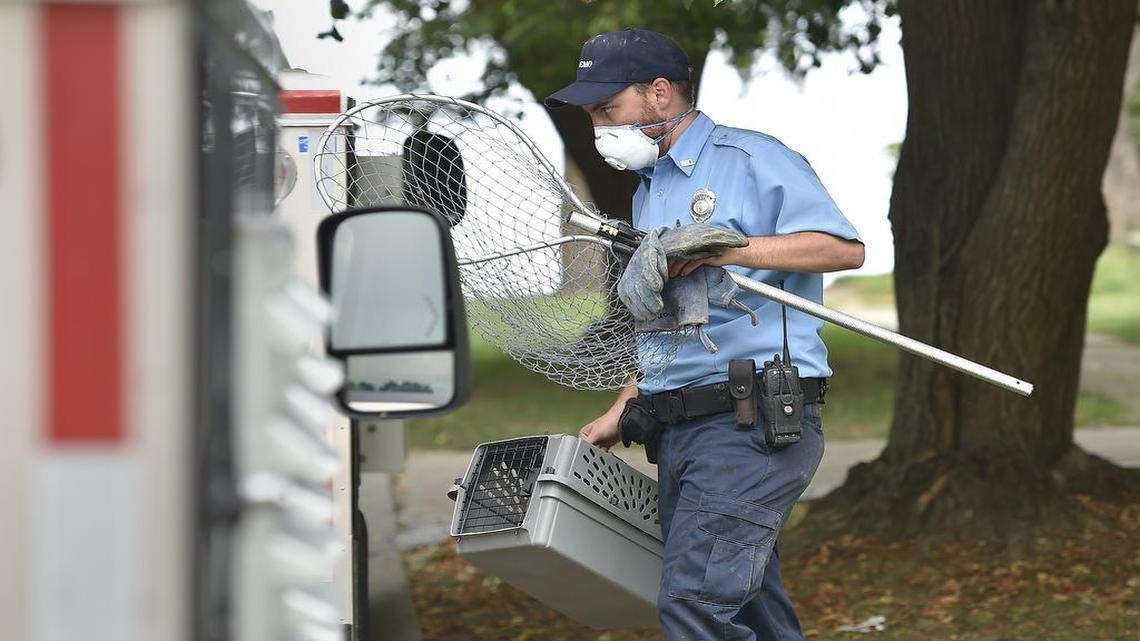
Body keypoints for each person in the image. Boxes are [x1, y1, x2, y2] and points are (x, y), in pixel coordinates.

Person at [545, 28, 865, 641]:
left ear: (659, 93)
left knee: (695, 606)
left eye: (607, 109)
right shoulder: (651, 189)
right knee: (749, 610)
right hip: (680, 430)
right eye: (590, 114)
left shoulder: (751, 159)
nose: (597, 127)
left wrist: (734, 247)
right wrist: (627, 402)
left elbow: (843, 249)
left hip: (750, 426)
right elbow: (667, 317)